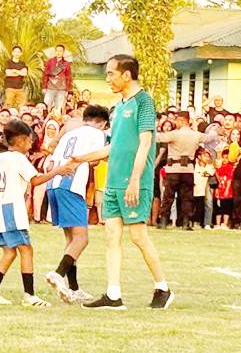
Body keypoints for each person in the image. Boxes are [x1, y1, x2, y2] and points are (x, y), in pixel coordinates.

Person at [70, 54, 173, 310]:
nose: (108, 79)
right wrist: (80, 159)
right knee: (111, 235)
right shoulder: (117, 108)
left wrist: (135, 180)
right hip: (115, 183)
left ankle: (163, 288)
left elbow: (146, 142)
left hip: (133, 182)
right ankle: (113, 295)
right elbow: (113, 148)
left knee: (138, 236)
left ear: (127, 75)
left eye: (111, 74)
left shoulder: (144, 102)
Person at [0, 120, 74, 307]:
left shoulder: (0, 157)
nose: (31, 144)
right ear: (21, 141)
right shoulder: (19, 159)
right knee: (26, 249)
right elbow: (36, 180)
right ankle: (29, 295)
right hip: (11, 208)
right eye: (30, 141)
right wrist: (57, 171)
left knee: (9, 252)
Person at [43, 105, 108, 304]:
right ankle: (58, 273)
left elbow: (52, 158)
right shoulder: (97, 134)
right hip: (71, 185)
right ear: (103, 122)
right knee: (82, 239)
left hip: (53, 184)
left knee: (71, 240)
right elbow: (95, 160)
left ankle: (74, 288)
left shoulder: (69, 133)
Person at [155, 111, 217, 230]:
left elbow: (158, 137)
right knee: (187, 197)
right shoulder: (196, 135)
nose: (175, 122)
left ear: (181, 121)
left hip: (173, 169)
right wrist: (216, 131)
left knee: (168, 197)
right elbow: (210, 137)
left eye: (177, 120)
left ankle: (163, 221)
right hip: (188, 170)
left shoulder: (174, 134)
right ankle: (185, 222)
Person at [41, 45, 72, 112]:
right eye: (57, 50)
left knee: (59, 108)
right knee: (46, 107)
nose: (58, 52)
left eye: (60, 51)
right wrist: (44, 87)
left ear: (63, 52)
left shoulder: (66, 64)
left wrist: (68, 90)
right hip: (50, 88)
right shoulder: (50, 61)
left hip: (61, 89)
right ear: (55, 51)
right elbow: (45, 75)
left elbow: (68, 77)